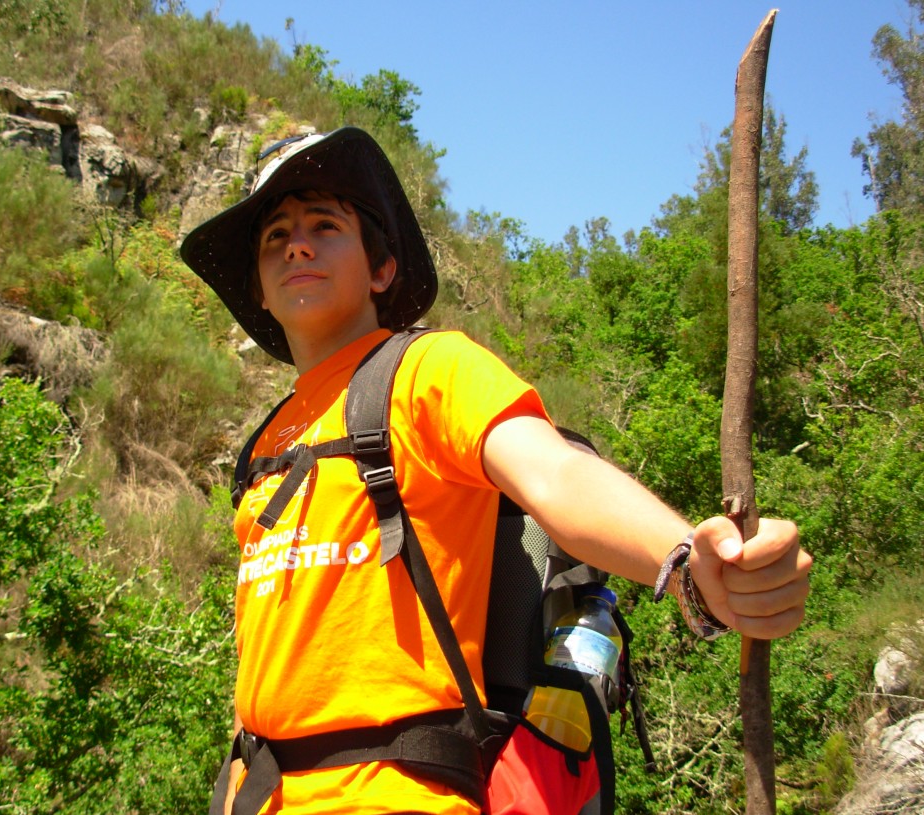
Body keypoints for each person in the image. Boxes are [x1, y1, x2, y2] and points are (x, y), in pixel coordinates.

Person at [179, 127, 812, 815]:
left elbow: (554, 476)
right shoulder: (265, 441)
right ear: (259, 294)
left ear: (380, 269)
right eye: (275, 236)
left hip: (394, 796)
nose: (295, 244)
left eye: (324, 226)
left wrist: (688, 559)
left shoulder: (427, 369)